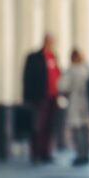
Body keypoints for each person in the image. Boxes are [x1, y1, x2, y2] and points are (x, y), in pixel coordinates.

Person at [23, 33, 61, 164]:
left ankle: (46, 152)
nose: (52, 44)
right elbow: (28, 78)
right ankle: (36, 153)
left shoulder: (53, 57)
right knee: (38, 125)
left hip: (52, 97)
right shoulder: (34, 57)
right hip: (39, 97)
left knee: (49, 126)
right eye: (50, 41)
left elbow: (57, 74)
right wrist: (28, 97)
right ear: (45, 41)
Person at [58, 49, 89, 166]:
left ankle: (80, 154)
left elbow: (62, 87)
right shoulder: (87, 69)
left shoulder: (71, 70)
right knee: (85, 130)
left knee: (77, 130)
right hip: (87, 104)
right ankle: (86, 154)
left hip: (75, 103)